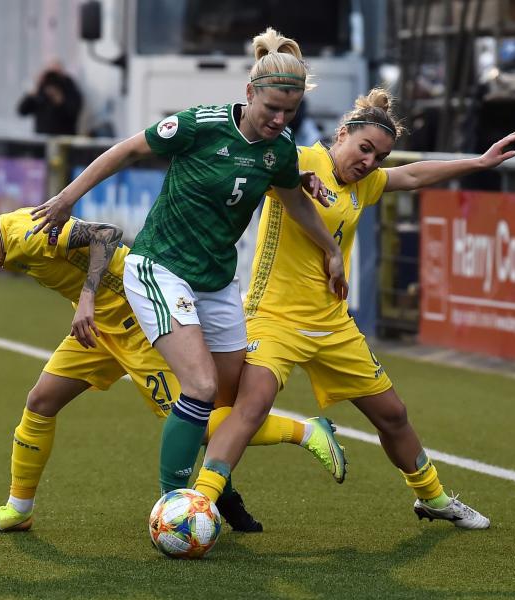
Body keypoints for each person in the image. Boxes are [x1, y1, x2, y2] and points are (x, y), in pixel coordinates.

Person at [31, 28, 349, 512]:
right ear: (249, 94)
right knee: (198, 389)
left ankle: (228, 487)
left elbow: (293, 200)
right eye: (272, 110)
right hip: (160, 267)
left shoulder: (280, 148)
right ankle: (175, 504)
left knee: (226, 402)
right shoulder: (199, 126)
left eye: (290, 111)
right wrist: (67, 196)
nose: (280, 120)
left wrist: (331, 248)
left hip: (218, 281)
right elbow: (126, 150)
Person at [194, 88, 515, 530]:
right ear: (342, 135)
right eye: (364, 148)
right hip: (273, 319)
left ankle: (434, 498)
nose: (369, 162)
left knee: (393, 415)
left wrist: (478, 162)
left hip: (332, 325)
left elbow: (412, 175)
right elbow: (257, 140)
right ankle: (200, 500)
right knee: (251, 407)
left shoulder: (365, 184)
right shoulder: (301, 159)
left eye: (379, 156)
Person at [0, 203, 347, 534]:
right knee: (41, 401)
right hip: (97, 331)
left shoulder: (32, 230)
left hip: (134, 317)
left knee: (190, 424)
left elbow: (107, 233)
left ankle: (306, 431)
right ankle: (19, 509)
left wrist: (86, 296)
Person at [16, 60, 82, 135]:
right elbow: (22, 111)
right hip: (41, 140)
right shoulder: (40, 89)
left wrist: (59, 98)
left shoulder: (70, 88)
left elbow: (74, 112)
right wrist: (35, 88)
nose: (52, 78)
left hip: (63, 139)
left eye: (56, 73)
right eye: (50, 73)